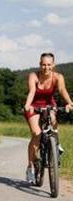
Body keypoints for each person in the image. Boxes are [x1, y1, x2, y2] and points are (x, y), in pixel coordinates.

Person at [24, 52, 73, 183]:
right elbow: (32, 91)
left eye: (49, 65)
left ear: (53, 65)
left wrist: (69, 102)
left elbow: (62, 90)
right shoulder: (33, 76)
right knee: (37, 134)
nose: (46, 67)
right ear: (40, 64)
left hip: (49, 105)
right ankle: (30, 167)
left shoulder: (58, 77)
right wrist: (27, 105)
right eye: (43, 64)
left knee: (54, 124)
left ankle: (55, 145)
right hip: (34, 106)